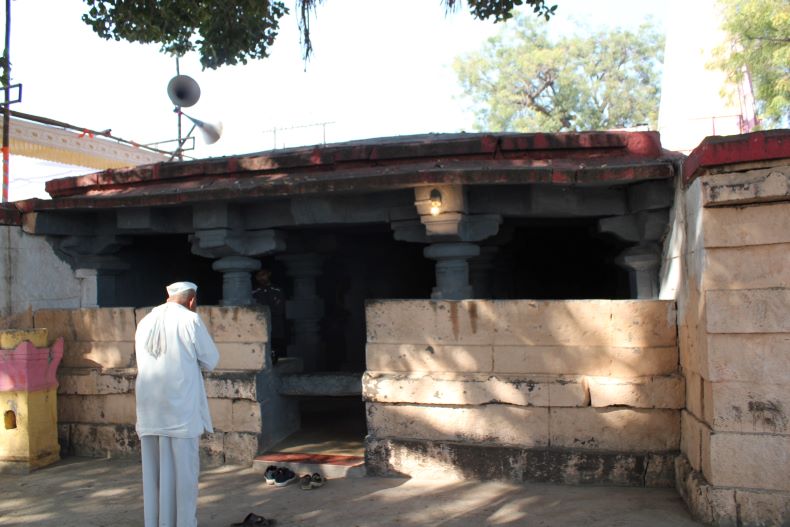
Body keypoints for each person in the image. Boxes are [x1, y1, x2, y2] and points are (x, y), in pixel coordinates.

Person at [134, 281, 220, 527]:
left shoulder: (145, 321)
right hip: (180, 409)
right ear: (192, 300)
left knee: (154, 475)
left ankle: (155, 522)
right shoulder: (190, 320)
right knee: (184, 474)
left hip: (150, 409)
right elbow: (211, 359)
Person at [252, 269, 285, 365]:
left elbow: (279, 309)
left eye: (263, 275)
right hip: (259, 327)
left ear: (268, 274)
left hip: (275, 326)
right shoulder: (254, 292)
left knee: (275, 350)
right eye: (258, 276)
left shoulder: (277, 290)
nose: (261, 278)